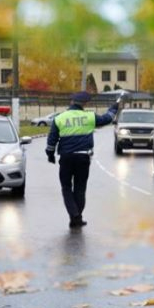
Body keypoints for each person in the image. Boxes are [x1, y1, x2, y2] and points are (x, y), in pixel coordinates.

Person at [46, 91, 119, 229]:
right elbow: (107, 119)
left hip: (66, 158)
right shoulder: (89, 117)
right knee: (80, 189)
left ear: (71, 102)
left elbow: (52, 139)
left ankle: (74, 215)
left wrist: (50, 154)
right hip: (83, 157)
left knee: (66, 187)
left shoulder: (60, 118)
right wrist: (114, 108)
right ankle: (77, 217)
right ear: (85, 104)